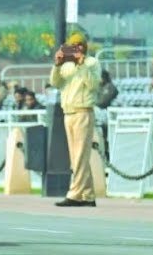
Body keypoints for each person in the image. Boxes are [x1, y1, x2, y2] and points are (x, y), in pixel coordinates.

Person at [50, 32, 101, 207]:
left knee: (80, 155)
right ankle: (88, 195)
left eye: (80, 45)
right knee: (76, 157)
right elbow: (55, 83)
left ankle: (74, 194)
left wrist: (82, 65)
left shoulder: (92, 63)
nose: (77, 48)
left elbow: (93, 85)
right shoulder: (66, 66)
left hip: (83, 111)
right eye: (73, 45)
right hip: (68, 112)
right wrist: (57, 64)